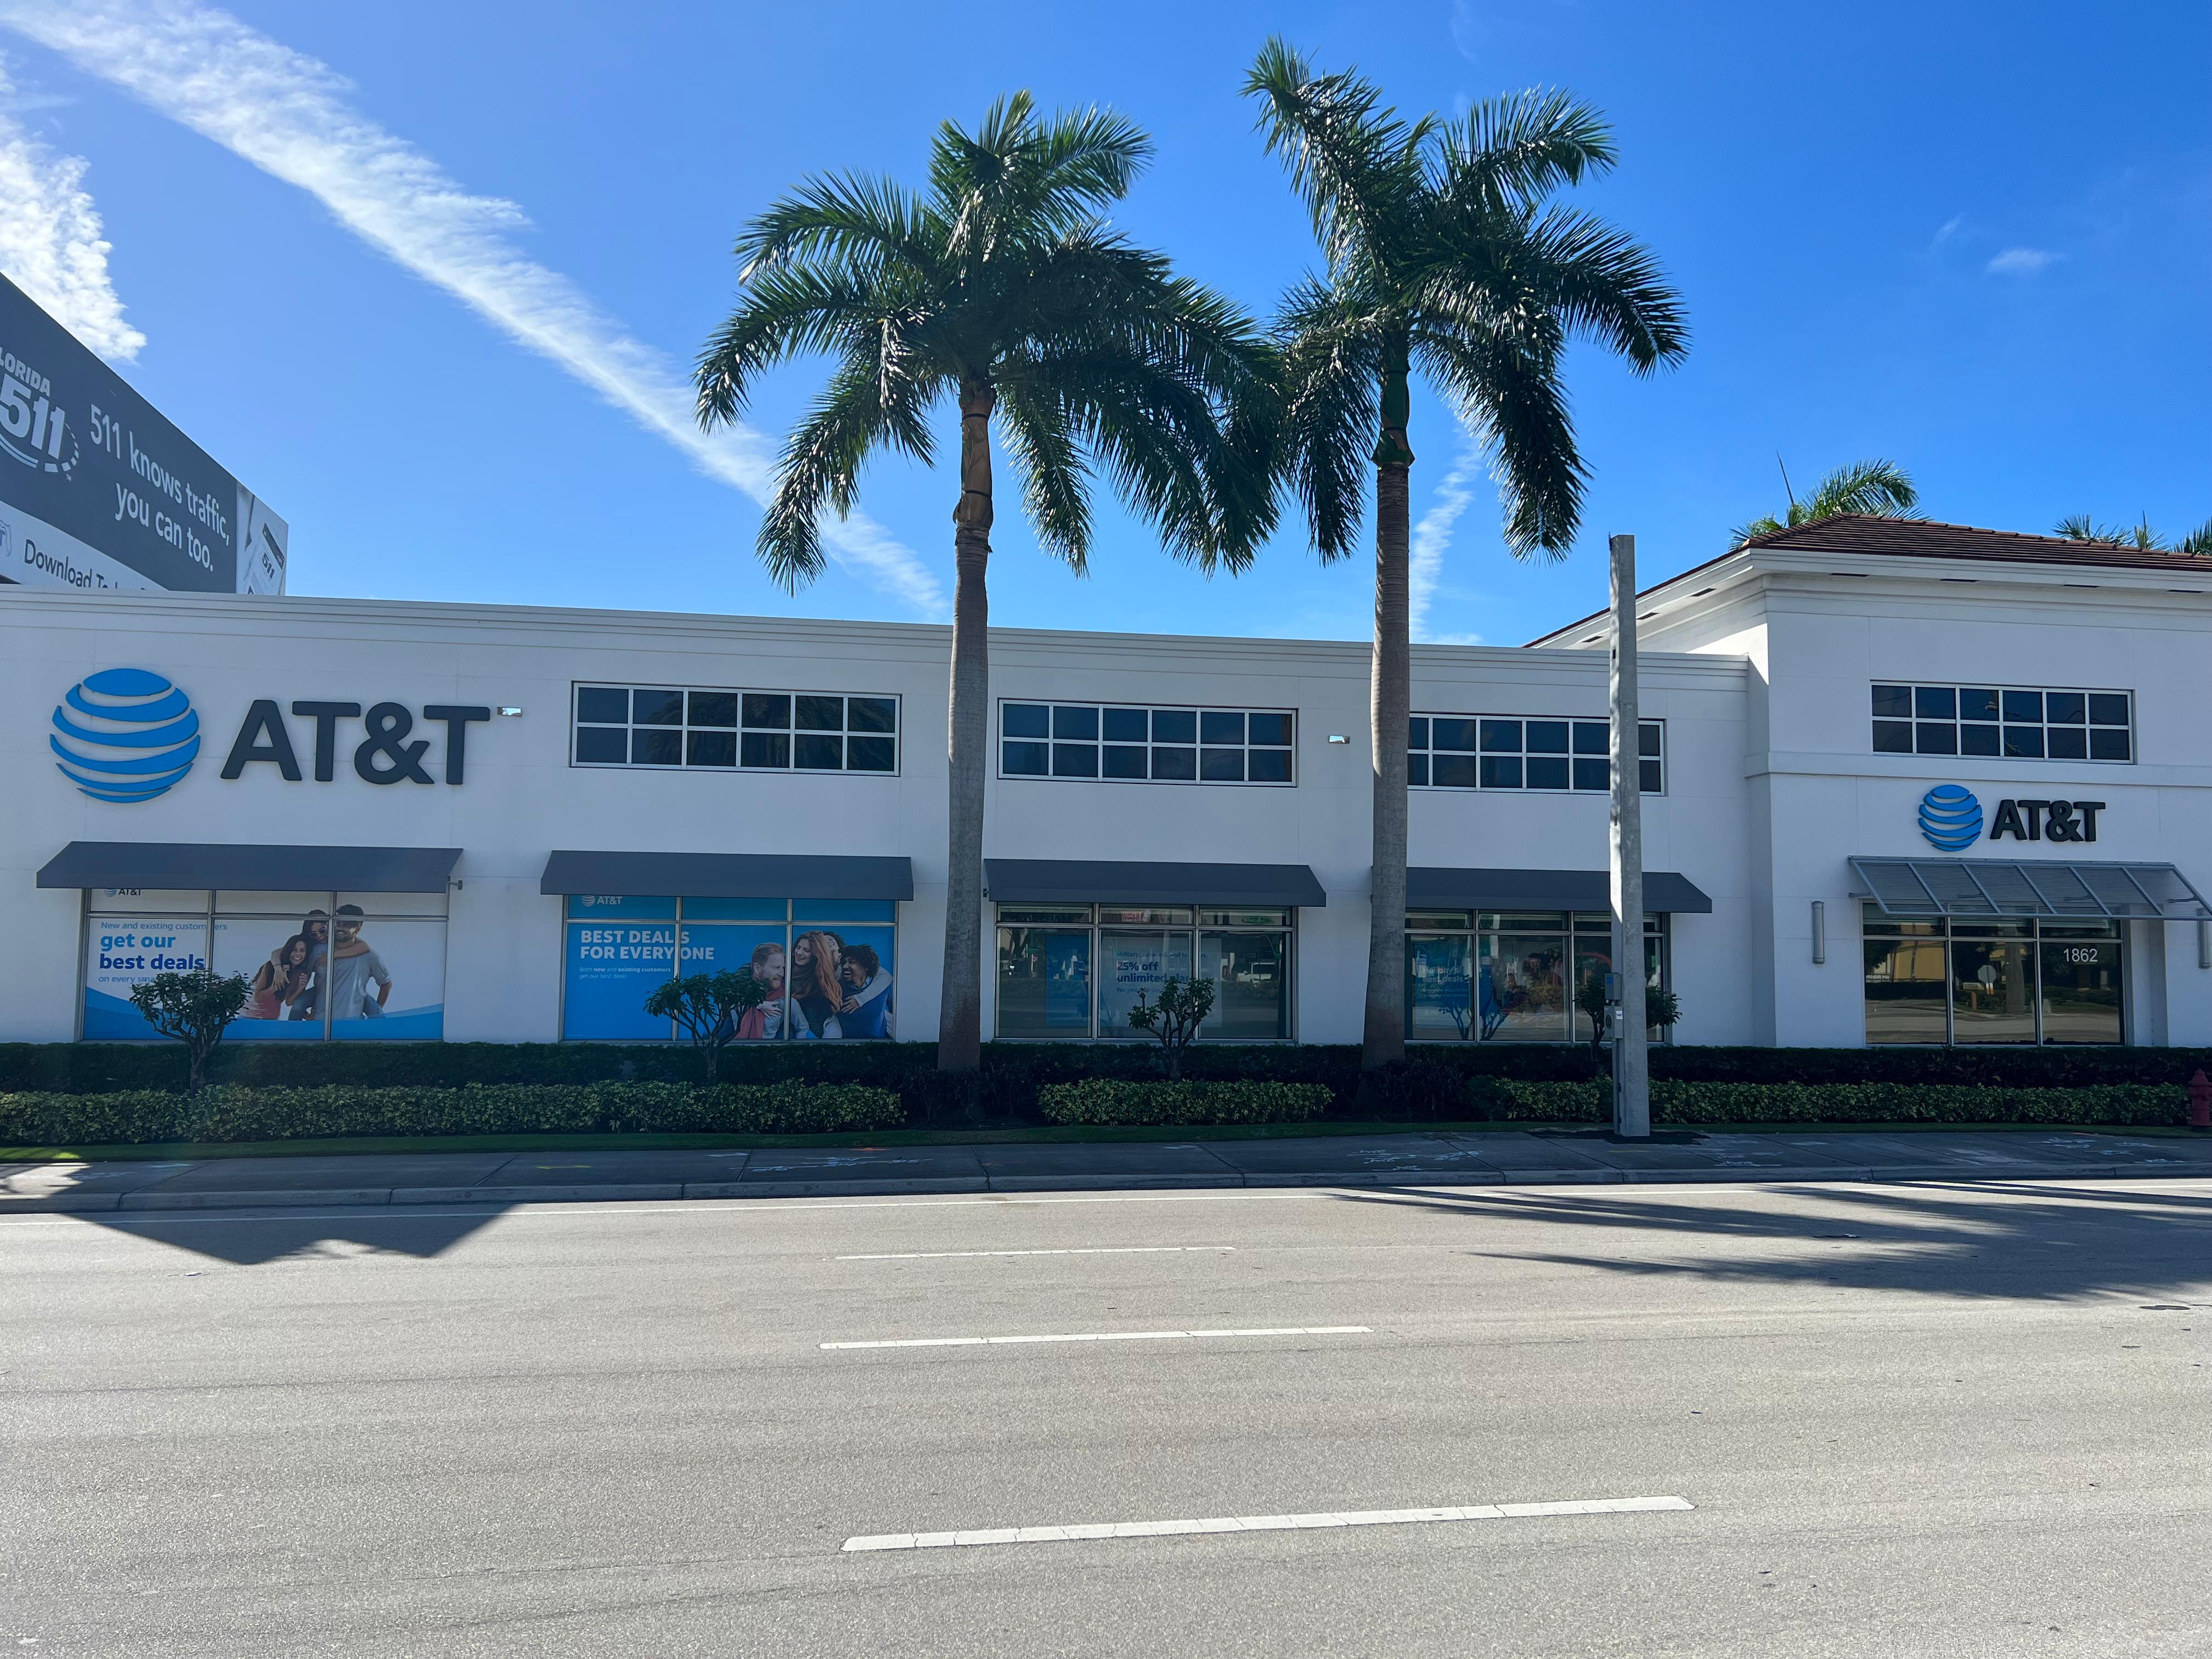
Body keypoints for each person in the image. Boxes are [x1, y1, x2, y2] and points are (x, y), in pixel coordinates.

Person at [322, 904, 393, 1020]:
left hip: (353, 1021)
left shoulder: (370, 956)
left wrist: (375, 1012)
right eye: (338, 922)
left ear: (358, 928)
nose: (340, 927)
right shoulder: (319, 950)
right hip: (320, 1022)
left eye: (347, 924)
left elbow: (386, 984)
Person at [789, 929, 843, 1039]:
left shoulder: (817, 976)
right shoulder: (785, 963)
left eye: (806, 950)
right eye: (798, 947)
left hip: (818, 1027)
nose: (799, 953)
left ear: (815, 955)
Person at [245, 934, 313, 1020]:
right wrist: (276, 986)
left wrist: (300, 988)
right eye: (294, 950)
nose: (298, 954)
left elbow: (289, 1002)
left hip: (272, 1018)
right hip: (250, 1016)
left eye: (302, 951)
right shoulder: (270, 967)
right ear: (288, 951)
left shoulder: (300, 972)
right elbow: (258, 998)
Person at [836, 943, 893, 1039]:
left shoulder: (884, 987)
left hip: (879, 1045)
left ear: (866, 966)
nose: (845, 966)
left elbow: (896, 1010)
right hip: (847, 1048)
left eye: (852, 962)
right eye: (844, 962)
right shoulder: (838, 988)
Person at [733, 940, 786, 1041]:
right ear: (757, 968)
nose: (782, 974)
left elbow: (802, 1027)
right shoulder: (736, 992)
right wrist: (759, 1004)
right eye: (776, 968)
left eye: (783, 968)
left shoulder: (785, 999)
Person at [286, 910, 331, 1020]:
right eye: (314, 934)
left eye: (322, 931)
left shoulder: (343, 941)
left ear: (329, 925)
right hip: (320, 988)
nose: (320, 936)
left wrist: (334, 954)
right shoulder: (313, 948)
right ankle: (291, 1034)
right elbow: (306, 976)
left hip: (347, 987)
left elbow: (363, 947)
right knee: (298, 1006)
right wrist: (278, 968)